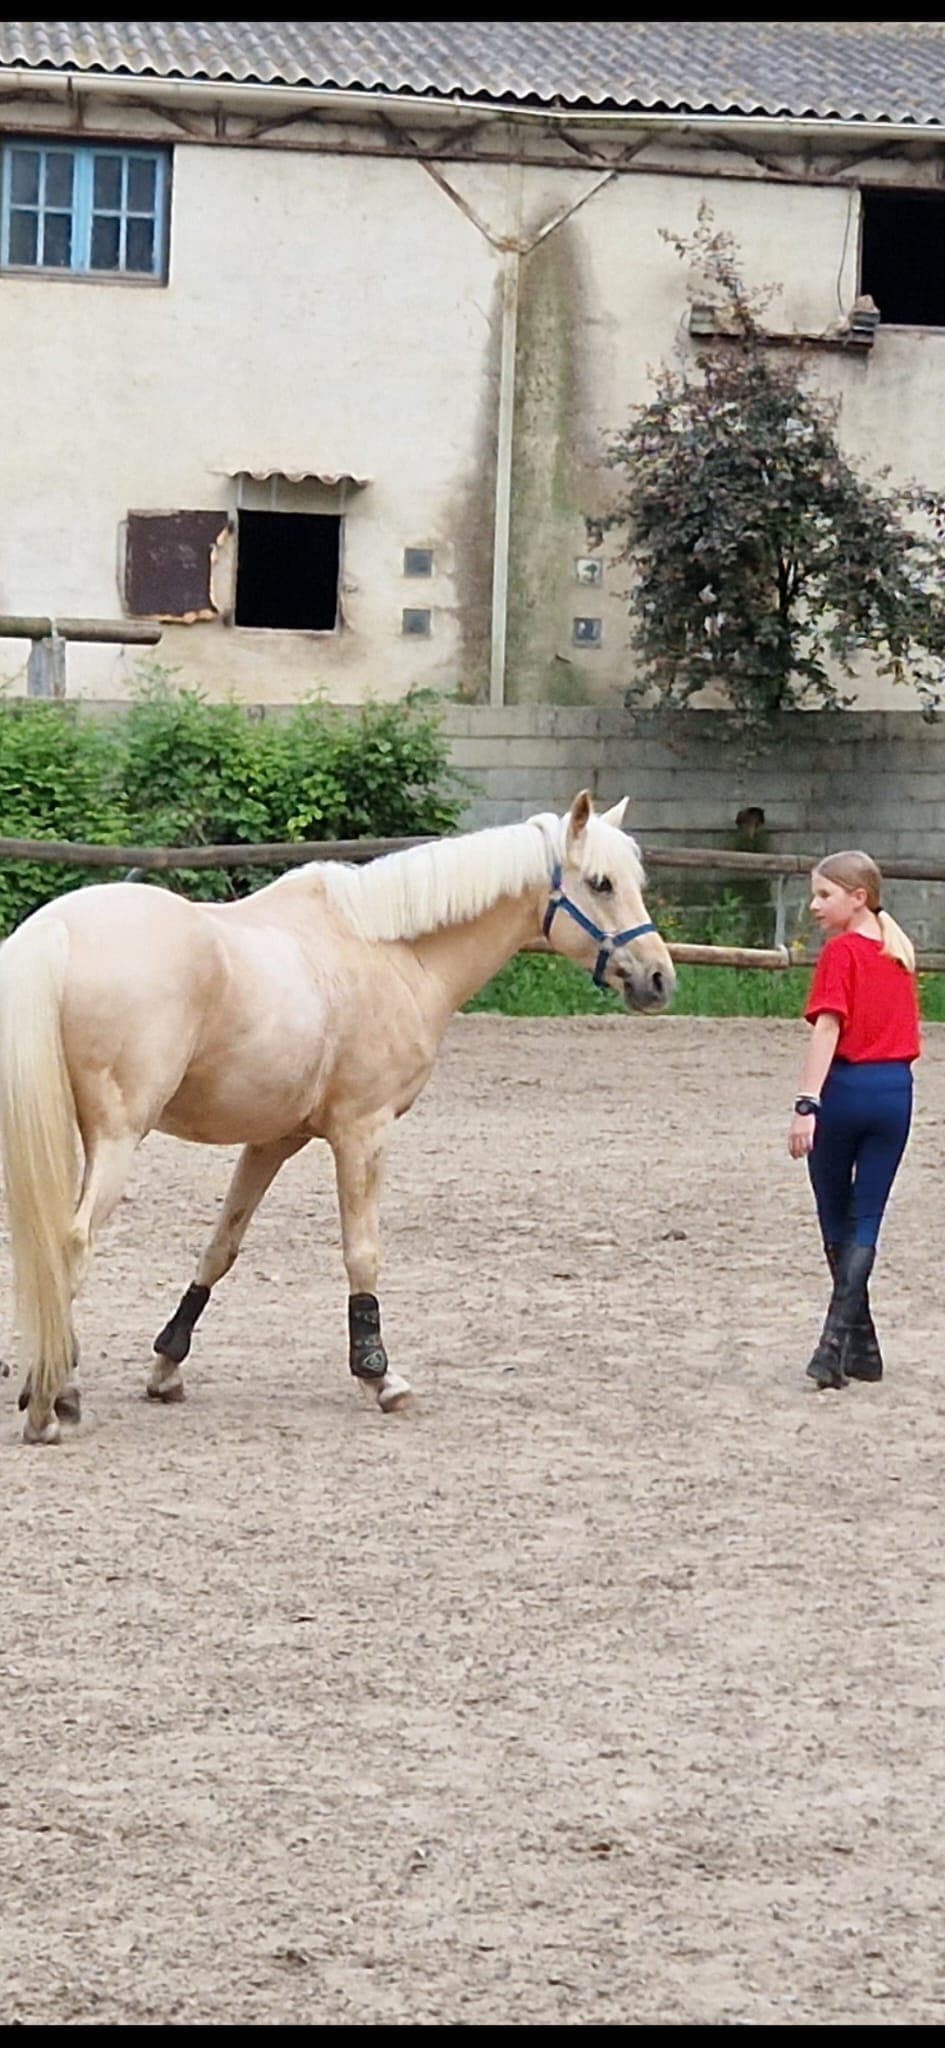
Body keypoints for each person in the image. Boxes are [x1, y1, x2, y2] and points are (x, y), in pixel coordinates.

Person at [788, 850, 920, 1390]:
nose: (815, 905)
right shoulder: (898, 954)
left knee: (835, 1219)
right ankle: (859, 1347)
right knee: (866, 1221)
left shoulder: (841, 953)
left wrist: (806, 1102)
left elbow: (828, 1029)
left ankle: (832, 1345)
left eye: (824, 895)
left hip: (846, 1091)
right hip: (896, 1094)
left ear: (857, 897)